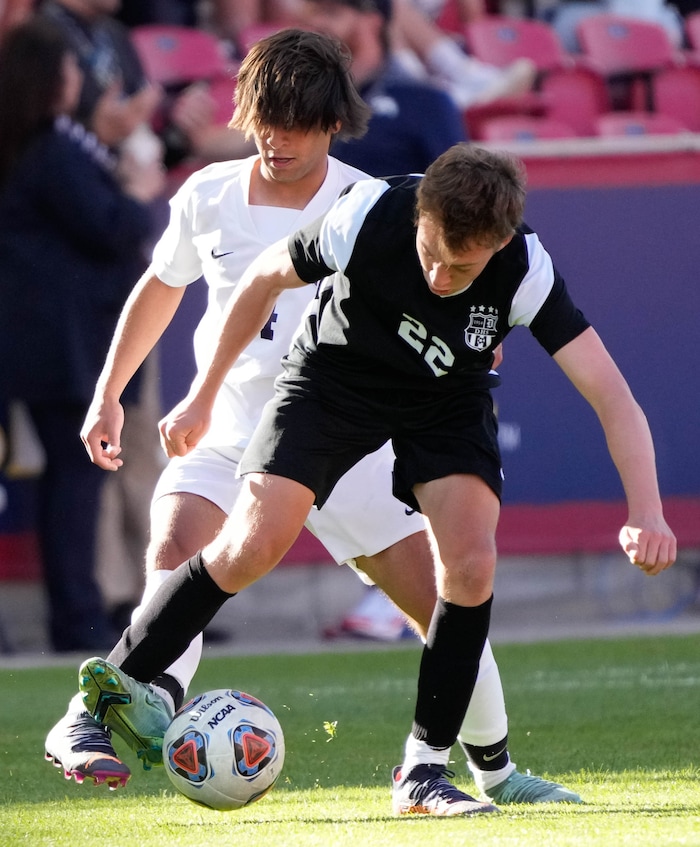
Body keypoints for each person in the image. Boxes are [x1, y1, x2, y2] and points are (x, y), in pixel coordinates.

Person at [45, 30, 581, 807]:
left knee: (447, 598)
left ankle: (494, 770)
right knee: (178, 552)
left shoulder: (374, 202)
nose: (276, 137)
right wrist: (110, 392)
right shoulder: (208, 193)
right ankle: (96, 713)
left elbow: (457, 294)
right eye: (265, 117)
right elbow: (158, 288)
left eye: (296, 121)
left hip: (351, 439)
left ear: (335, 122)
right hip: (228, 432)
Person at [75, 140, 676, 815]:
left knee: (472, 564)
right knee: (254, 543)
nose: (443, 277)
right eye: (433, 255)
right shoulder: (365, 213)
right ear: (420, 215)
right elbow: (262, 281)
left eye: (464, 267)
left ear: (501, 242)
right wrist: (205, 394)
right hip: (333, 381)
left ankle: (423, 773)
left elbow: (612, 394)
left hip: (444, 399)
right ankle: (109, 688)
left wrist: (647, 510)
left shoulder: (524, 267)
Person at [0, 16, 165, 651]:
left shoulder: (39, 147)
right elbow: (108, 226)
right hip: (63, 350)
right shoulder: (49, 151)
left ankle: (78, 617)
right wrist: (140, 192)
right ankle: (76, 623)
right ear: (48, 81)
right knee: (74, 485)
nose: (76, 80)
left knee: (70, 484)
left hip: (53, 346)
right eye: (68, 71)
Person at [303, 0, 467, 176]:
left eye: (331, 13)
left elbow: (457, 188)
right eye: (313, 14)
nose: (317, 23)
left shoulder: (425, 101)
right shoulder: (304, 98)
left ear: (372, 20)